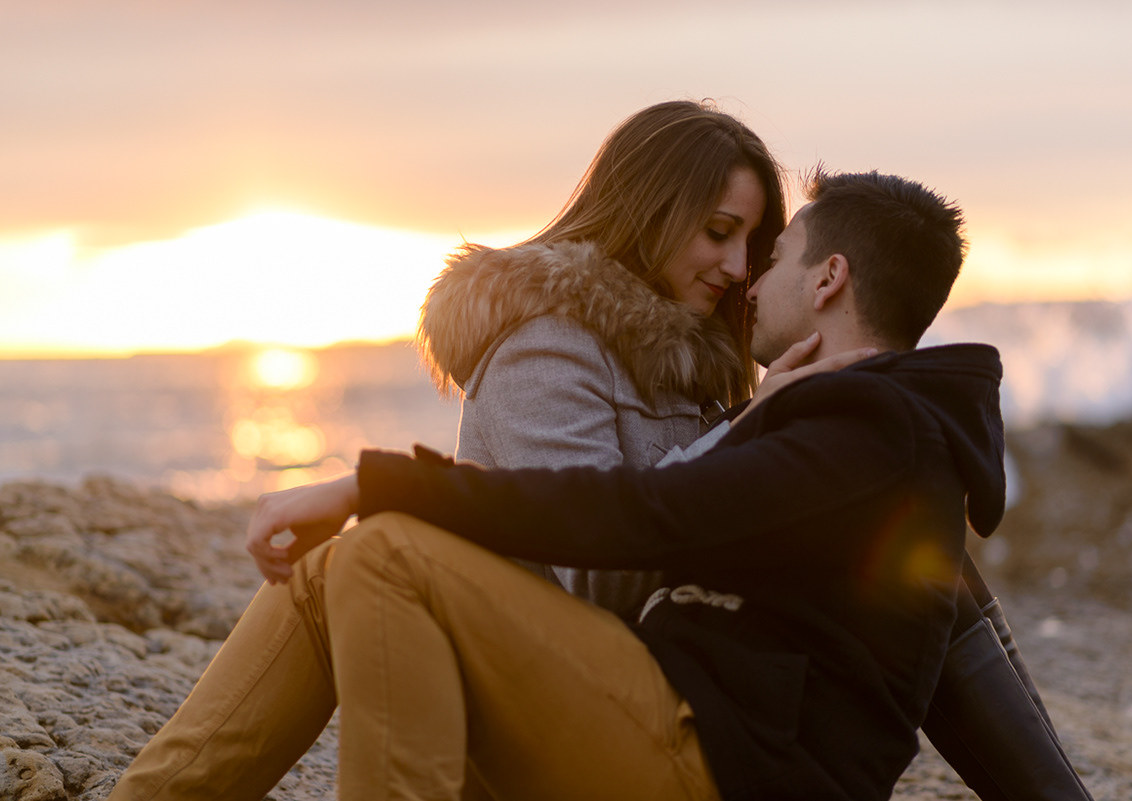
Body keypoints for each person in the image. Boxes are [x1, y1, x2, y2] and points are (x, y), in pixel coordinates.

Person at [110, 168, 1008, 801]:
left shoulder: (871, 430)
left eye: (774, 256)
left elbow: (644, 514)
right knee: (338, 568)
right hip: (674, 723)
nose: (749, 280)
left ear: (829, 278)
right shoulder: (862, 423)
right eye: (730, 243)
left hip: (719, 768)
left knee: (383, 552)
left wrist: (365, 485)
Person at [417, 99, 786, 620]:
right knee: (326, 573)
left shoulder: (689, 362)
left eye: (752, 244)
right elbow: (600, 572)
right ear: (648, 211)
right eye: (719, 232)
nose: (738, 266)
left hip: (648, 671)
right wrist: (755, 424)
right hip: (538, 673)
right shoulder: (545, 346)